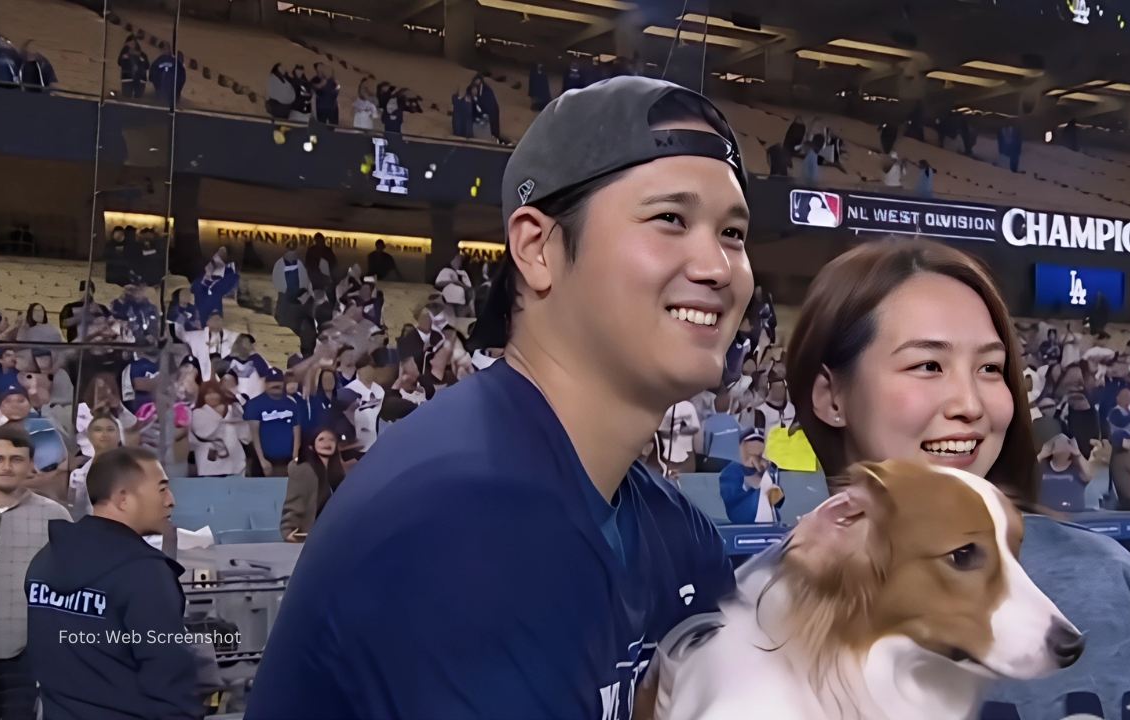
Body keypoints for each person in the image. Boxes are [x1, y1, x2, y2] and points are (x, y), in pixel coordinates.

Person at [246, 76, 752, 719]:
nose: (717, 267)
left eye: (733, 233)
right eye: (670, 220)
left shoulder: (677, 533)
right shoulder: (457, 518)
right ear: (538, 248)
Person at [781, 237, 1130, 719]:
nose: (970, 404)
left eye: (991, 367)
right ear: (831, 397)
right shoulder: (758, 609)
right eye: (928, 365)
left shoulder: (1108, 579)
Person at [25, 447, 202, 720]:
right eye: (162, 489)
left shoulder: (45, 559)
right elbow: (169, 670)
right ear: (123, 499)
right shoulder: (144, 572)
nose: (171, 501)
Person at [0, 426, 71, 720]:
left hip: (24, 658)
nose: (7, 467)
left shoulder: (55, 517)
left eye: (16, 459)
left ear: (31, 465)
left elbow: (68, 588)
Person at [280, 428, 345, 542]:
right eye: (321, 439)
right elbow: (295, 502)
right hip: (309, 536)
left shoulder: (336, 472)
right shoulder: (304, 470)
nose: (327, 443)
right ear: (311, 445)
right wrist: (288, 530)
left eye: (331, 440)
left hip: (331, 534)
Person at [718, 427, 784, 524]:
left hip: (770, 524)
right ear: (741, 447)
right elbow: (730, 497)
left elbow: (778, 503)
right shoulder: (732, 470)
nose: (755, 448)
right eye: (751, 441)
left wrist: (776, 493)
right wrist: (754, 477)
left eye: (760, 441)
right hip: (744, 523)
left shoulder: (770, 469)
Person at [243, 369, 300, 477]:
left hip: (287, 461)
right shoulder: (255, 404)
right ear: (266, 384)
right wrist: (262, 460)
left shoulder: (291, 403)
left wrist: (295, 457)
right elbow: (254, 433)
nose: (276, 384)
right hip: (264, 460)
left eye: (278, 381)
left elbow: (296, 430)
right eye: (272, 382)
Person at [67, 410, 120, 520]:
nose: (104, 434)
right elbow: (75, 512)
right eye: (98, 430)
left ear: (119, 436)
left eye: (110, 429)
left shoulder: (133, 470)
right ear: (89, 436)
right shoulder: (78, 476)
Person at [189, 380, 247, 477]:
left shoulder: (232, 409)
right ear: (202, 396)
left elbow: (244, 432)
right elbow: (204, 432)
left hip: (235, 459)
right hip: (209, 460)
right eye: (208, 394)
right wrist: (225, 423)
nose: (213, 396)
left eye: (215, 393)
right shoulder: (197, 413)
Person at [1036, 433, 1093, 512]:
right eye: (1058, 442)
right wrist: (1041, 455)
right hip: (1045, 518)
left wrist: (1077, 453)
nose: (1062, 444)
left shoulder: (1077, 467)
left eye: (1066, 442)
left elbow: (1089, 475)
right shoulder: (1042, 466)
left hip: (1074, 518)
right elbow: (1024, 475)